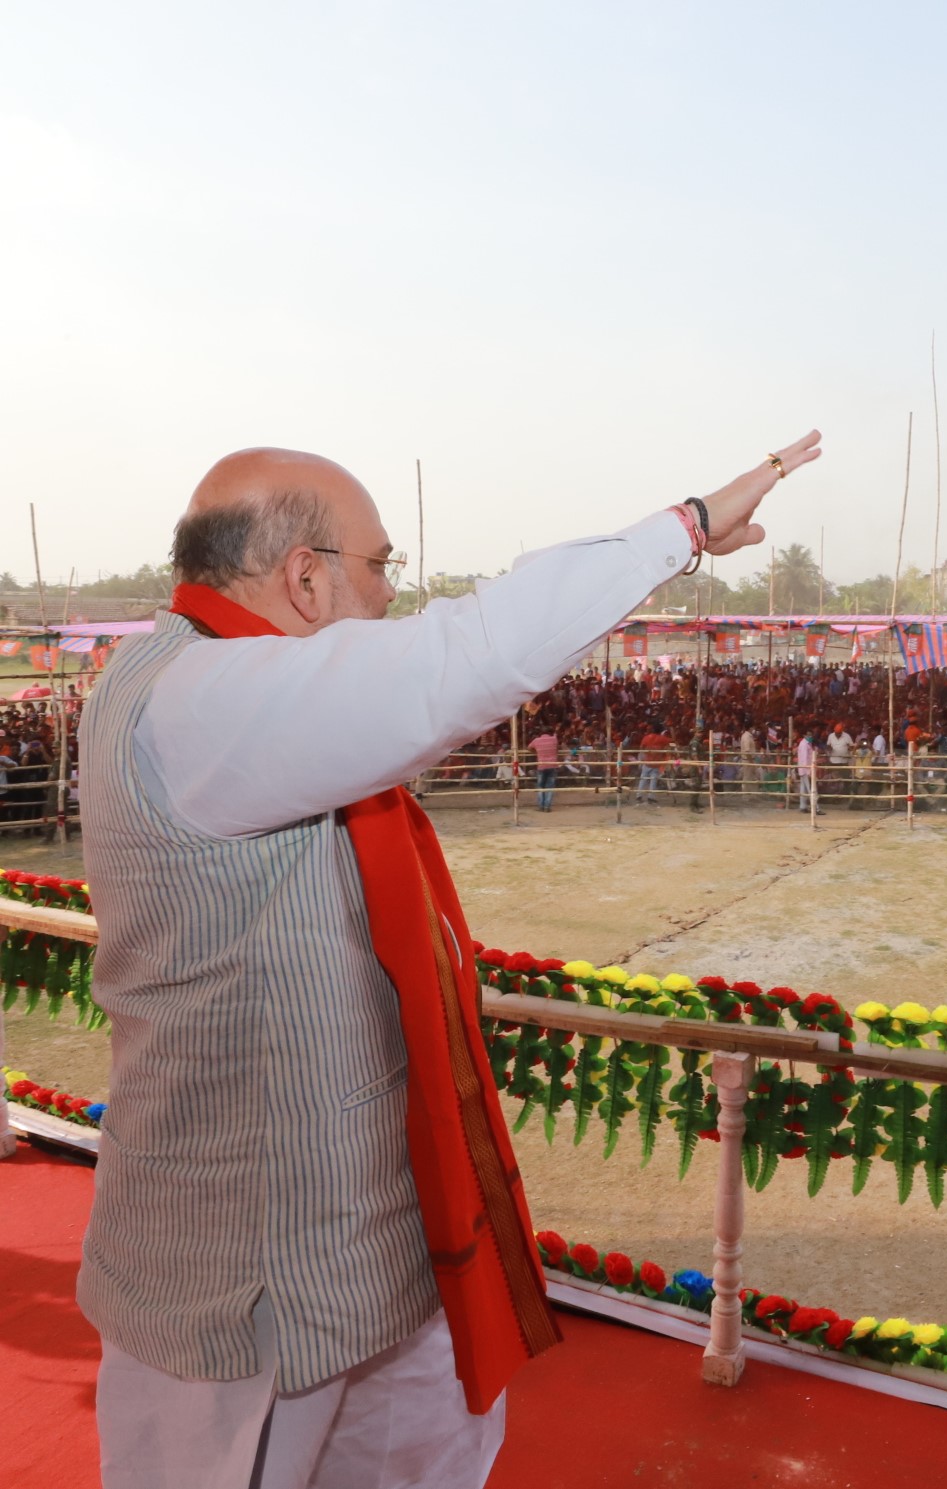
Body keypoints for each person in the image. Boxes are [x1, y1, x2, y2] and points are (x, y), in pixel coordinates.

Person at [78, 431, 819, 1489]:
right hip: (246, 1281)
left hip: (382, 1238)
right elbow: (459, 661)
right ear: (301, 576)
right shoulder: (201, 698)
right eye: (379, 565)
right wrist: (683, 532)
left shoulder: (223, 684)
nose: (390, 594)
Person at [527, 727, 559, 811]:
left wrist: (536, 752)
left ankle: (541, 806)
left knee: (540, 786)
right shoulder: (554, 739)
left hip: (541, 766)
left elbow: (529, 748)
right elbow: (557, 747)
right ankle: (547, 806)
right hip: (552, 765)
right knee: (550, 787)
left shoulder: (536, 740)